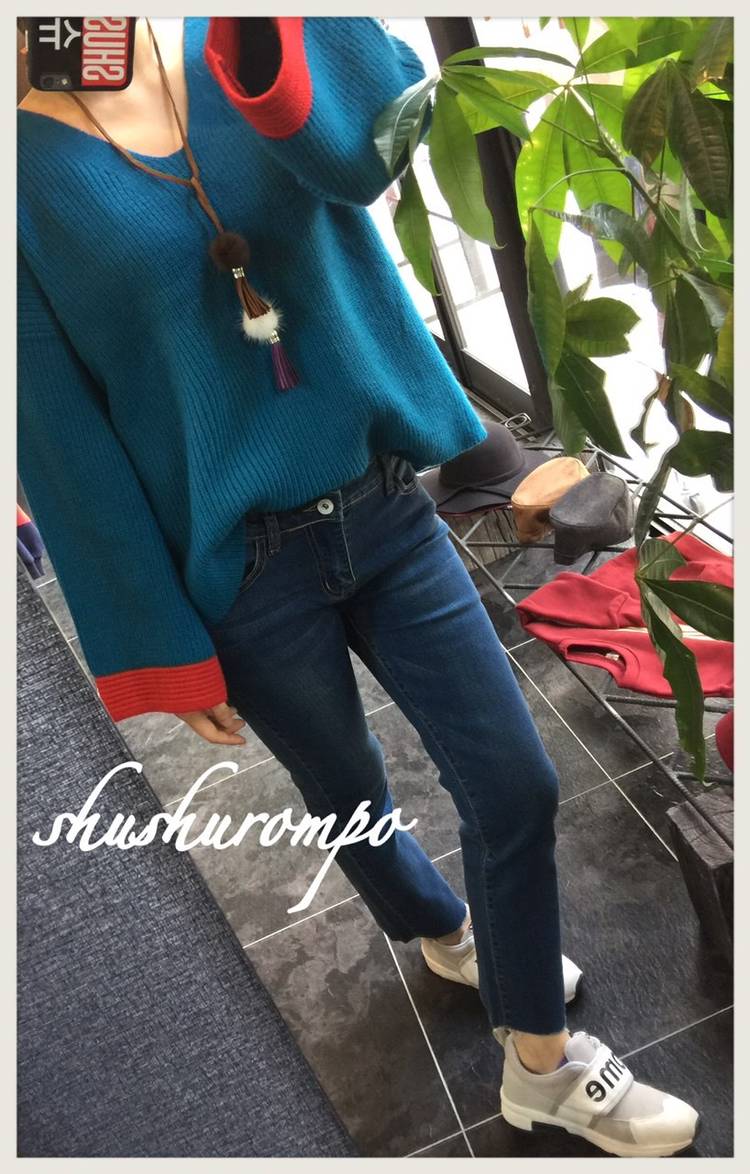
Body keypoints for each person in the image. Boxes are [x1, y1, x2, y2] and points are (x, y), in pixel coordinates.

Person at [17, 16, 699, 1158]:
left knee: (514, 783)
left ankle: (540, 1067)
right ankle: (438, 925)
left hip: (382, 506)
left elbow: (379, 126)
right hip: (240, 567)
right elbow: (64, 450)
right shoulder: (19, 186)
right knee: (345, 785)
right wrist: (157, 646)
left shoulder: (244, 47)